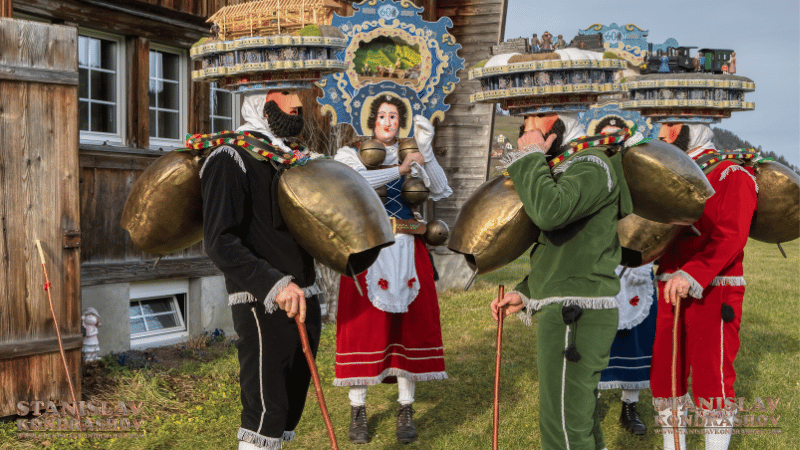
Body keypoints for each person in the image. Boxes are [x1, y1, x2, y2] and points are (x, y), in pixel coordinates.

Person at [491, 111, 633, 450]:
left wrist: (530, 157)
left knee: (564, 432)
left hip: (576, 314)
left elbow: (550, 213)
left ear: (561, 115)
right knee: (577, 425)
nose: (528, 124)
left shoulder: (592, 163)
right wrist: (526, 293)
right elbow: (566, 250)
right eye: (526, 115)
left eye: (538, 114)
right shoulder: (571, 163)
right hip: (570, 308)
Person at [200, 89, 322, 450]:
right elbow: (220, 242)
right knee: (266, 410)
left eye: (296, 94)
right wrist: (276, 284)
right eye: (284, 94)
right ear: (259, 101)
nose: (296, 103)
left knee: (288, 410)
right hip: (263, 301)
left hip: (304, 297)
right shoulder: (230, 156)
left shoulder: (288, 158)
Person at [333, 95, 452, 444]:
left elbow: (441, 190)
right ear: (372, 121)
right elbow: (352, 185)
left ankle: (405, 410)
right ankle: (358, 411)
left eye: (395, 117)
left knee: (409, 330)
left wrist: (425, 153)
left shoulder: (408, 154)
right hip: (368, 250)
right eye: (383, 116)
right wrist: (399, 170)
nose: (388, 122)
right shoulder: (349, 155)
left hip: (408, 250)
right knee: (362, 330)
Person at [649, 122, 757, 450]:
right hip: (670, 286)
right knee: (666, 374)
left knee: (712, 376)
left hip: (715, 288)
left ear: (692, 126)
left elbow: (731, 236)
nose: (661, 133)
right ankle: (674, 446)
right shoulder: (665, 175)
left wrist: (693, 273)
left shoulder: (731, 173)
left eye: (670, 124)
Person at [593, 116, 658, 436]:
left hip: (635, 266)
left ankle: (629, 407)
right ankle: (587, 400)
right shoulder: (588, 174)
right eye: (606, 139)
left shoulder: (644, 181)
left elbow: (654, 223)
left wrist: (643, 261)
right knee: (592, 339)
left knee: (633, 342)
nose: (612, 145)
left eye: (617, 139)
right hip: (596, 266)